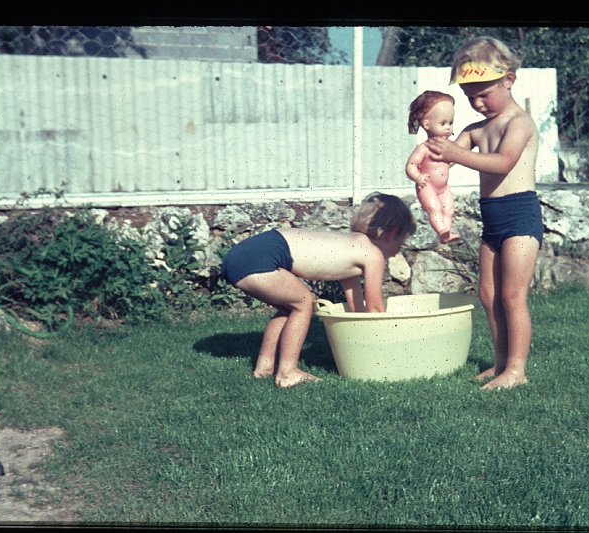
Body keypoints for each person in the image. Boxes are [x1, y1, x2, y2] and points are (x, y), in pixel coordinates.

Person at [426, 37, 543, 390]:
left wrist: (455, 154)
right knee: (488, 295)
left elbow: (503, 162)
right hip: (491, 217)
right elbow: (445, 157)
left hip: (520, 215)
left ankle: (517, 370)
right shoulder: (475, 129)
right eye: (469, 96)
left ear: (509, 79)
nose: (477, 103)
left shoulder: (518, 123)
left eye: (484, 93)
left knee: (512, 295)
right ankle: (500, 362)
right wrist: (428, 155)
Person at [220, 193, 416, 388]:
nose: (399, 250)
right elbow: (375, 308)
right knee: (303, 302)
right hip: (262, 256)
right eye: (401, 243)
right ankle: (287, 373)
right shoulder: (373, 255)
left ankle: (264, 367)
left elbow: (357, 305)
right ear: (391, 234)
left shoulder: (351, 244)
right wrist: (390, 346)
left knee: (288, 309)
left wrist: (360, 333)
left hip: (244, 254)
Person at [406, 91, 460, 244]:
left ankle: (447, 233)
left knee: (448, 208)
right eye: (443, 124)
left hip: (443, 187)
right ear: (427, 124)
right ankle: (441, 230)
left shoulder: (448, 146)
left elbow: (452, 160)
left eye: (450, 123)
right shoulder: (424, 148)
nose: (448, 128)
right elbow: (411, 165)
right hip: (427, 185)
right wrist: (417, 177)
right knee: (434, 208)